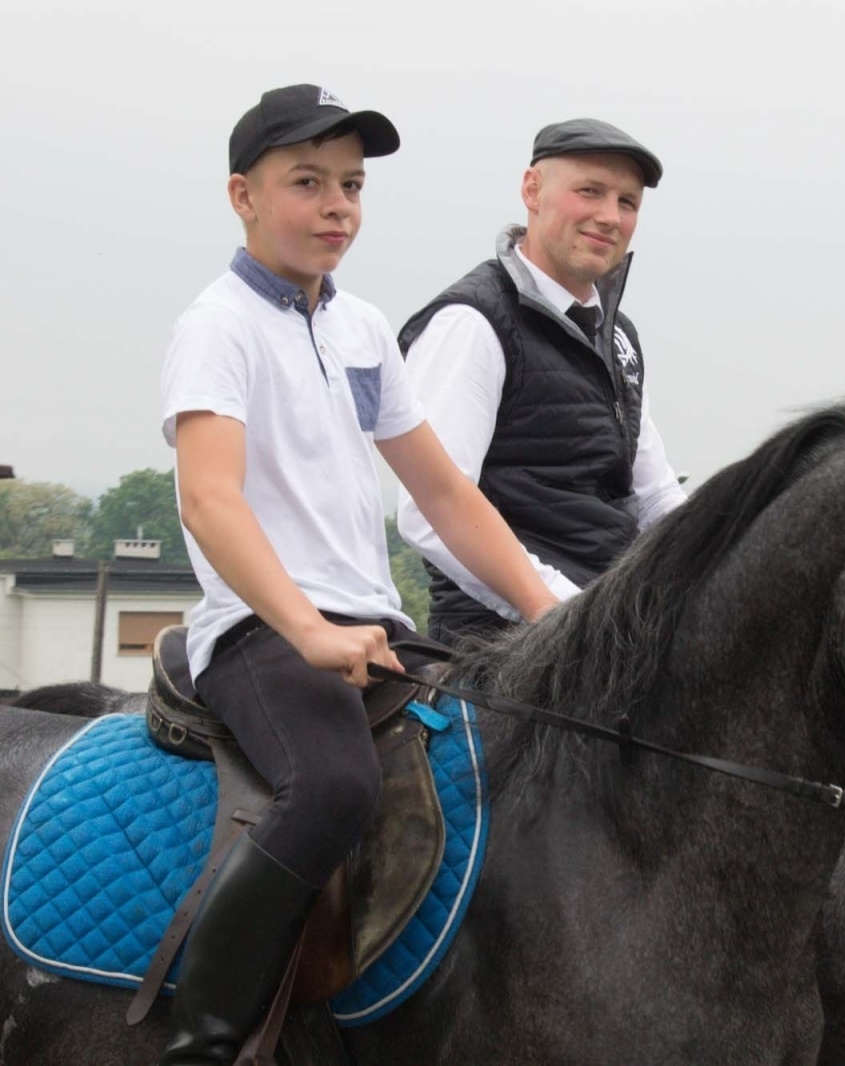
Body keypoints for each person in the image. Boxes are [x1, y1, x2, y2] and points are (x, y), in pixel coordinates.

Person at [158, 84, 557, 1064]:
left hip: (371, 622)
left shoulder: (362, 329)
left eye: (351, 184)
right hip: (260, 633)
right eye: (307, 183)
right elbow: (212, 499)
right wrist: (303, 628)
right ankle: (203, 1040)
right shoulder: (217, 325)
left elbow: (448, 494)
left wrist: (548, 614)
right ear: (241, 195)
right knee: (333, 787)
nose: (337, 205)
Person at [395, 118, 686, 643]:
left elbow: (657, 498)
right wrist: (562, 611)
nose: (609, 216)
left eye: (627, 202)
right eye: (590, 192)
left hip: (608, 636)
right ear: (532, 190)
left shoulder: (616, 336)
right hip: (505, 651)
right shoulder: (473, 322)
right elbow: (426, 509)